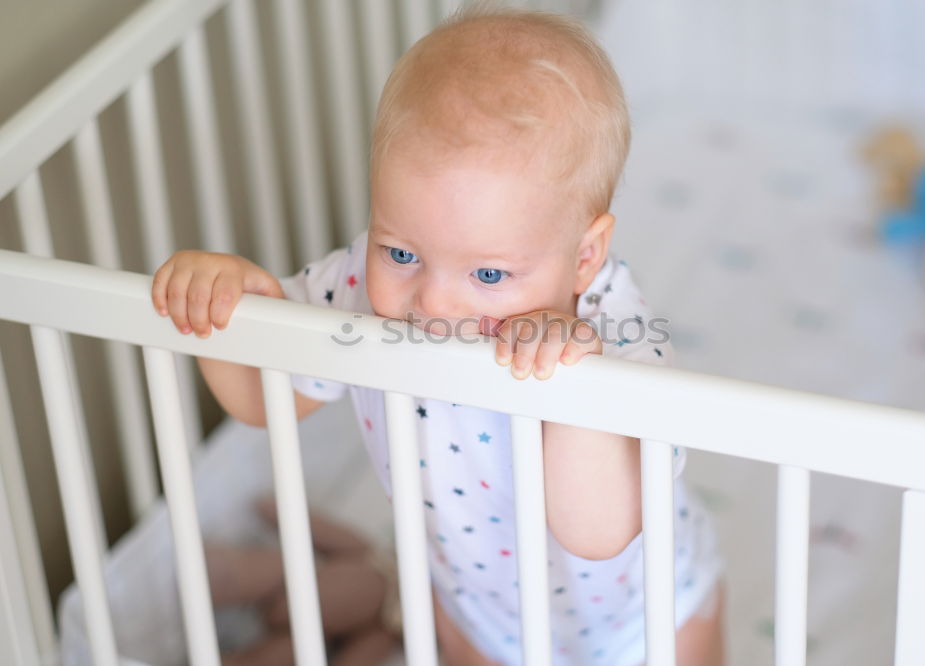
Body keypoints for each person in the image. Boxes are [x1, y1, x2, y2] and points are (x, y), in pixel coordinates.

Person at [151, 3, 724, 664]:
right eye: (401, 252)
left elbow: (600, 531)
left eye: (487, 272)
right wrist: (223, 312)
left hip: (645, 615)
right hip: (471, 611)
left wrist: (571, 377)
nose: (433, 301)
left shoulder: (613, 323)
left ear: (585, 256)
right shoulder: (364, 286)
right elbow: (265, 400)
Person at [205, 497, 401, 666]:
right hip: (293, 580)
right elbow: (324, 531)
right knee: (263, 569)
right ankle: (208, 576)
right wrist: (278, 510)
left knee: (278, 657)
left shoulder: (383, 630)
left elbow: (359, 658)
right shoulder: (373, 558)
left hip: (301, 632)